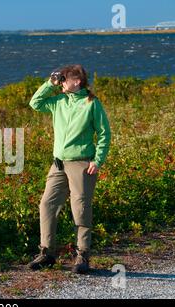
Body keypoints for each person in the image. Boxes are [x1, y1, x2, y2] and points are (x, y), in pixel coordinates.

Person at [27, 64, 111, 274]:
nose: (62, 82)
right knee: (47, 205)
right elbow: (35, 103)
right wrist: (50, 83)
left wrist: (97, 160)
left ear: (77, 81)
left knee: (80, 210)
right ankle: (47, 253)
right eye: (61, 79)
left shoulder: (92, 104)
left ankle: (82, 255)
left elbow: (104, 134)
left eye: (65, 79)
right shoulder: (58, 102)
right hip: (58, 164)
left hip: (82, 164)